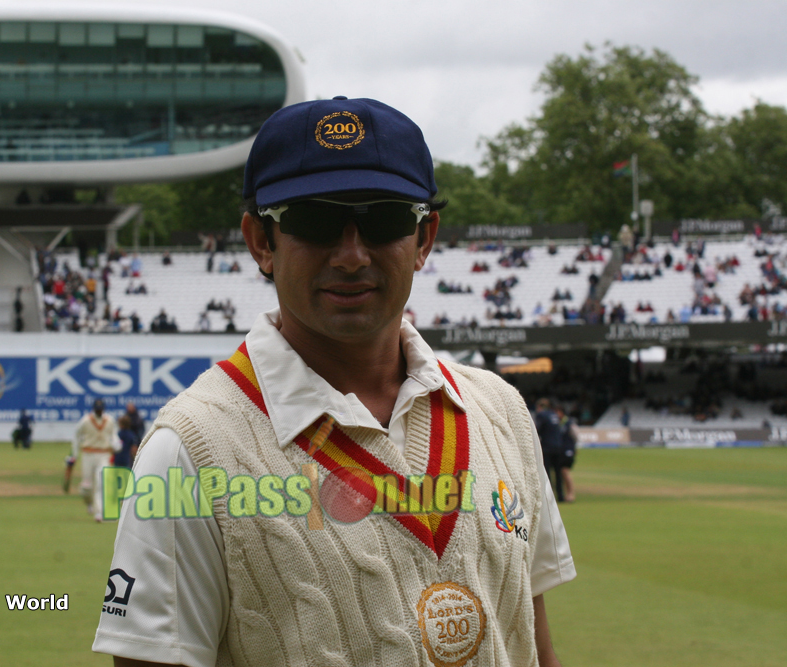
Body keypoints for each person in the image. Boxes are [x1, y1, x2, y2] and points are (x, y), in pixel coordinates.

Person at [94, 97, 574, 667]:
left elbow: (528, 637)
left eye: (385, 219)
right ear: (260, 241)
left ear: (424, 239)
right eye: (315, 220)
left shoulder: (502, 412)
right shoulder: (189, 449)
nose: (351, 255)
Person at [72, 399, 119, 521]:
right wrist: (75, 455)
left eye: (101, 409)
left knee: (101, 482)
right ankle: (88, 502)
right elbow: (76, 436)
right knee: (86, 486)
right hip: (88, 454)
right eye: (97, 409)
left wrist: (116, 444)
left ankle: (99, 513)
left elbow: (114, 436)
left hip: (104, 454)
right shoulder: (85, 420)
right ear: (94, 409)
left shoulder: (110, 420)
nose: (99, 411)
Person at [534, 398, 564, 503]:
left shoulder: (542, 415)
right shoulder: (554, 414)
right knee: (558, 473)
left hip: (547, 447)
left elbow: (537, 430)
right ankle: (561, 496)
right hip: (558, 447)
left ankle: (549, 498)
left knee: (547, 473)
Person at [557, 406, 578, 503]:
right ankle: (567, 493)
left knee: (565, 471)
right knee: (562, 472)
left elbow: (575, 436)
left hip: (568, 450)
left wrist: (574, 449)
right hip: (562, 450)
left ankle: (571, 494)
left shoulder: (569, 423)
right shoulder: (560, 423)